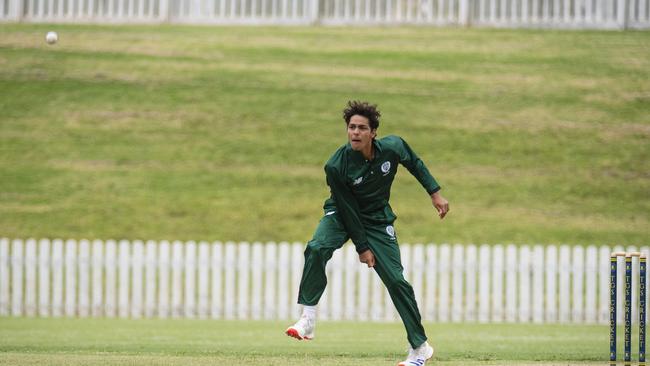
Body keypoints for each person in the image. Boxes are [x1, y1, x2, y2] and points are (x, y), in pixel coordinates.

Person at [285, 100, 449, 366]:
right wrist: (362, 247)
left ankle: (420, 348)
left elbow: (415, 163)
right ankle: (308, 318)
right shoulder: (336, 165)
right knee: (317, 247)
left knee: (397, 282)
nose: (355, 133)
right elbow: (348, 210)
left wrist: (435, 194)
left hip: (377, 219)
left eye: (362, 128)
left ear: (374, 132)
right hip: (341, 213)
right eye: (351, 127)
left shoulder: (393, 147)